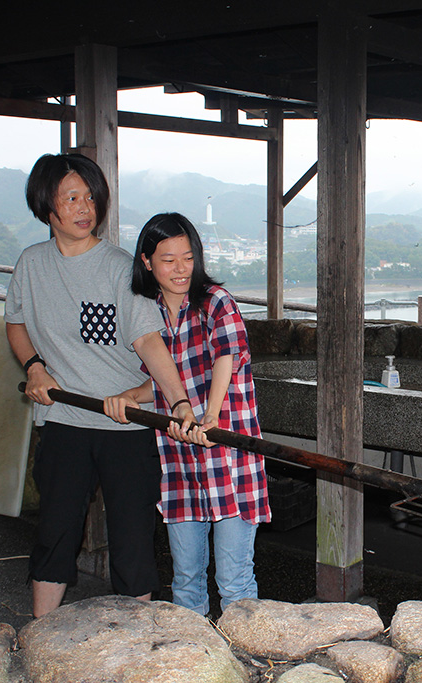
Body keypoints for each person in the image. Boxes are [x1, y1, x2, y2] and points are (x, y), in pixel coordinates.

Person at [5, 154, 195, 618]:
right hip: (65, 419)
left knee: (132, 538)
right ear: (45, 205)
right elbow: (15, 323)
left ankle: (136, 643)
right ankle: (40, 635)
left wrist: (180, 401)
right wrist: (34, 367)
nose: (84, 206)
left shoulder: (117, 267)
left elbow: (148, 340)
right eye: (71, 197)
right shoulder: (31, 264)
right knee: (55, 531)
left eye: (90, 196)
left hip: (125, 424)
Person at [104, 212, 270, 616]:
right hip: (180, 460)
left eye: (188, 257)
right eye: (168, 259)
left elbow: (226, 359)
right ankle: (193, 661)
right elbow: (157, 382)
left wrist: (210, 416)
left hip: (229, 457)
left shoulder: (215, 302)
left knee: (233, 579)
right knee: (186, 578)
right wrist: (128, 396)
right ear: (146, 262)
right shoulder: (150, 313)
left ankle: (245, 662)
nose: (180, 269)